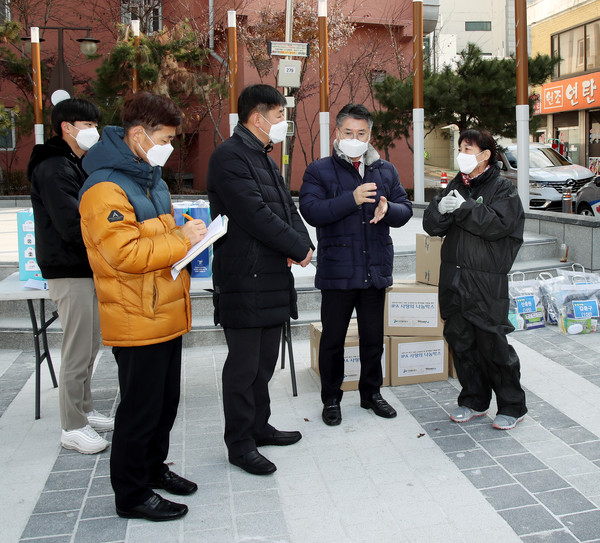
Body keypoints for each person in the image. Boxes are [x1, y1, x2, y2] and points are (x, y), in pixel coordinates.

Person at [79, 92, 208, 521]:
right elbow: (126, 254)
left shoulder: (145, 175)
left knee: (164, 402)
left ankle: (153, 470)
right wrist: (180, 240)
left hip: (163, 308)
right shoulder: (104, 188)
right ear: (138, 134)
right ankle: (131, 494)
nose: (169, 147)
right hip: (136, 315)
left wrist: (184, 228)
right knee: (139, 410)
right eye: (165, 138)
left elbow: (157, 231)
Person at [207, 84, 314, 476]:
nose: (283, 123)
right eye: (279, 115)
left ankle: (259, 426)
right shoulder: (229, 158)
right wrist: (296, 247)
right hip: (243, 277)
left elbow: (287, 208)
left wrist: (303, 244)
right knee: (243, 366)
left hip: (271, 276)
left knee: (265, 362)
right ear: (257, 117)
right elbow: (254, 214)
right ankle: (239, 443)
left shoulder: (264, 158)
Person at [299, 103, 413, 426]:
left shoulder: (385, 170)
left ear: (370, 135)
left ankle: (371, 393)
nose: (354, 138)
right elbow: (312, 211)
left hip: (374, 269)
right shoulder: (319, 170)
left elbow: (405, 210)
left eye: (361, 133)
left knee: (372, 339)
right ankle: (331, 398)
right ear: (337, 133)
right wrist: (352, 199)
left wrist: (388, 208)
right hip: (338, 272)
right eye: (348, 132)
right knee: (333, 340)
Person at [422, 128, 527, 430]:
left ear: (485, 155)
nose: (462, 155)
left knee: (492, 344)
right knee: (461, 342)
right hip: (453, 278)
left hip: (485, 280)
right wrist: (441, 209)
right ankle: (474, 399)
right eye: (461, 148)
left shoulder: (502, 189)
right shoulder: (456, 184)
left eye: (468, 149)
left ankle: (512, 405)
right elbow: (433, 225)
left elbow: (499, 225)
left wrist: (466, 208)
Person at [28, 97, 114, 455]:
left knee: (91, 344)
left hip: (83, 267)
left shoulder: (73, 163)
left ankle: (85, 407)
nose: (94, 131)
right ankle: (72, 426)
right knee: (77, 348)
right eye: (88, 125)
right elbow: (72, 224)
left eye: (96, 125)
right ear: (67, 127)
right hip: (70, 268)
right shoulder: (54, 167)